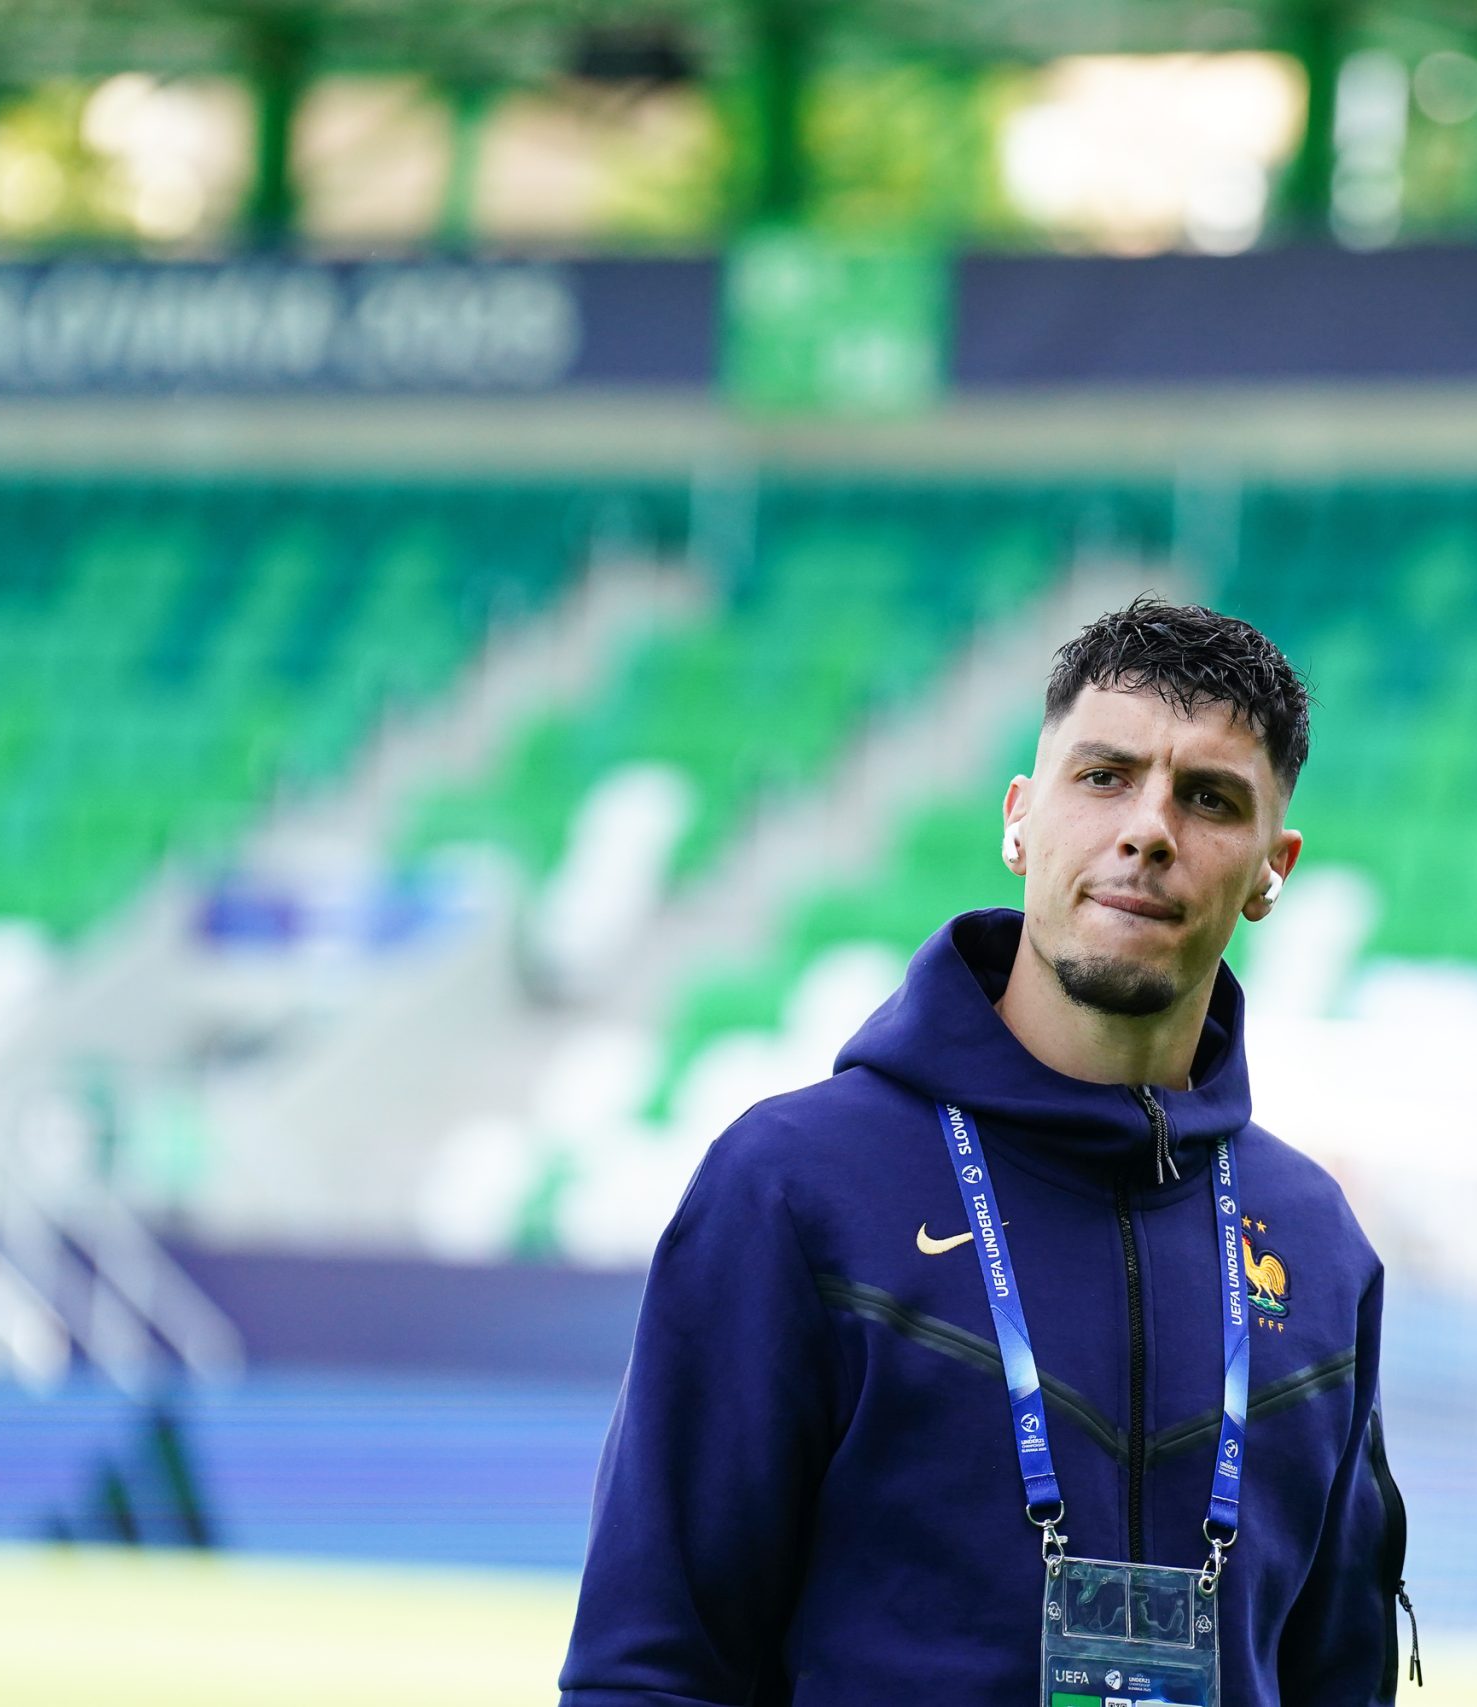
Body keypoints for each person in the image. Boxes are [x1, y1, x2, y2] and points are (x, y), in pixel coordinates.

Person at [559, 597, 1415, 1705]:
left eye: (1208, 799)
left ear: (1271, 868)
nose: (1148, 829)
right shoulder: (795, 1188)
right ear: (1019, 818)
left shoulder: (1315, 1243)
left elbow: (1337, 1680)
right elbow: (650, 1669)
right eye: (1102, 776)